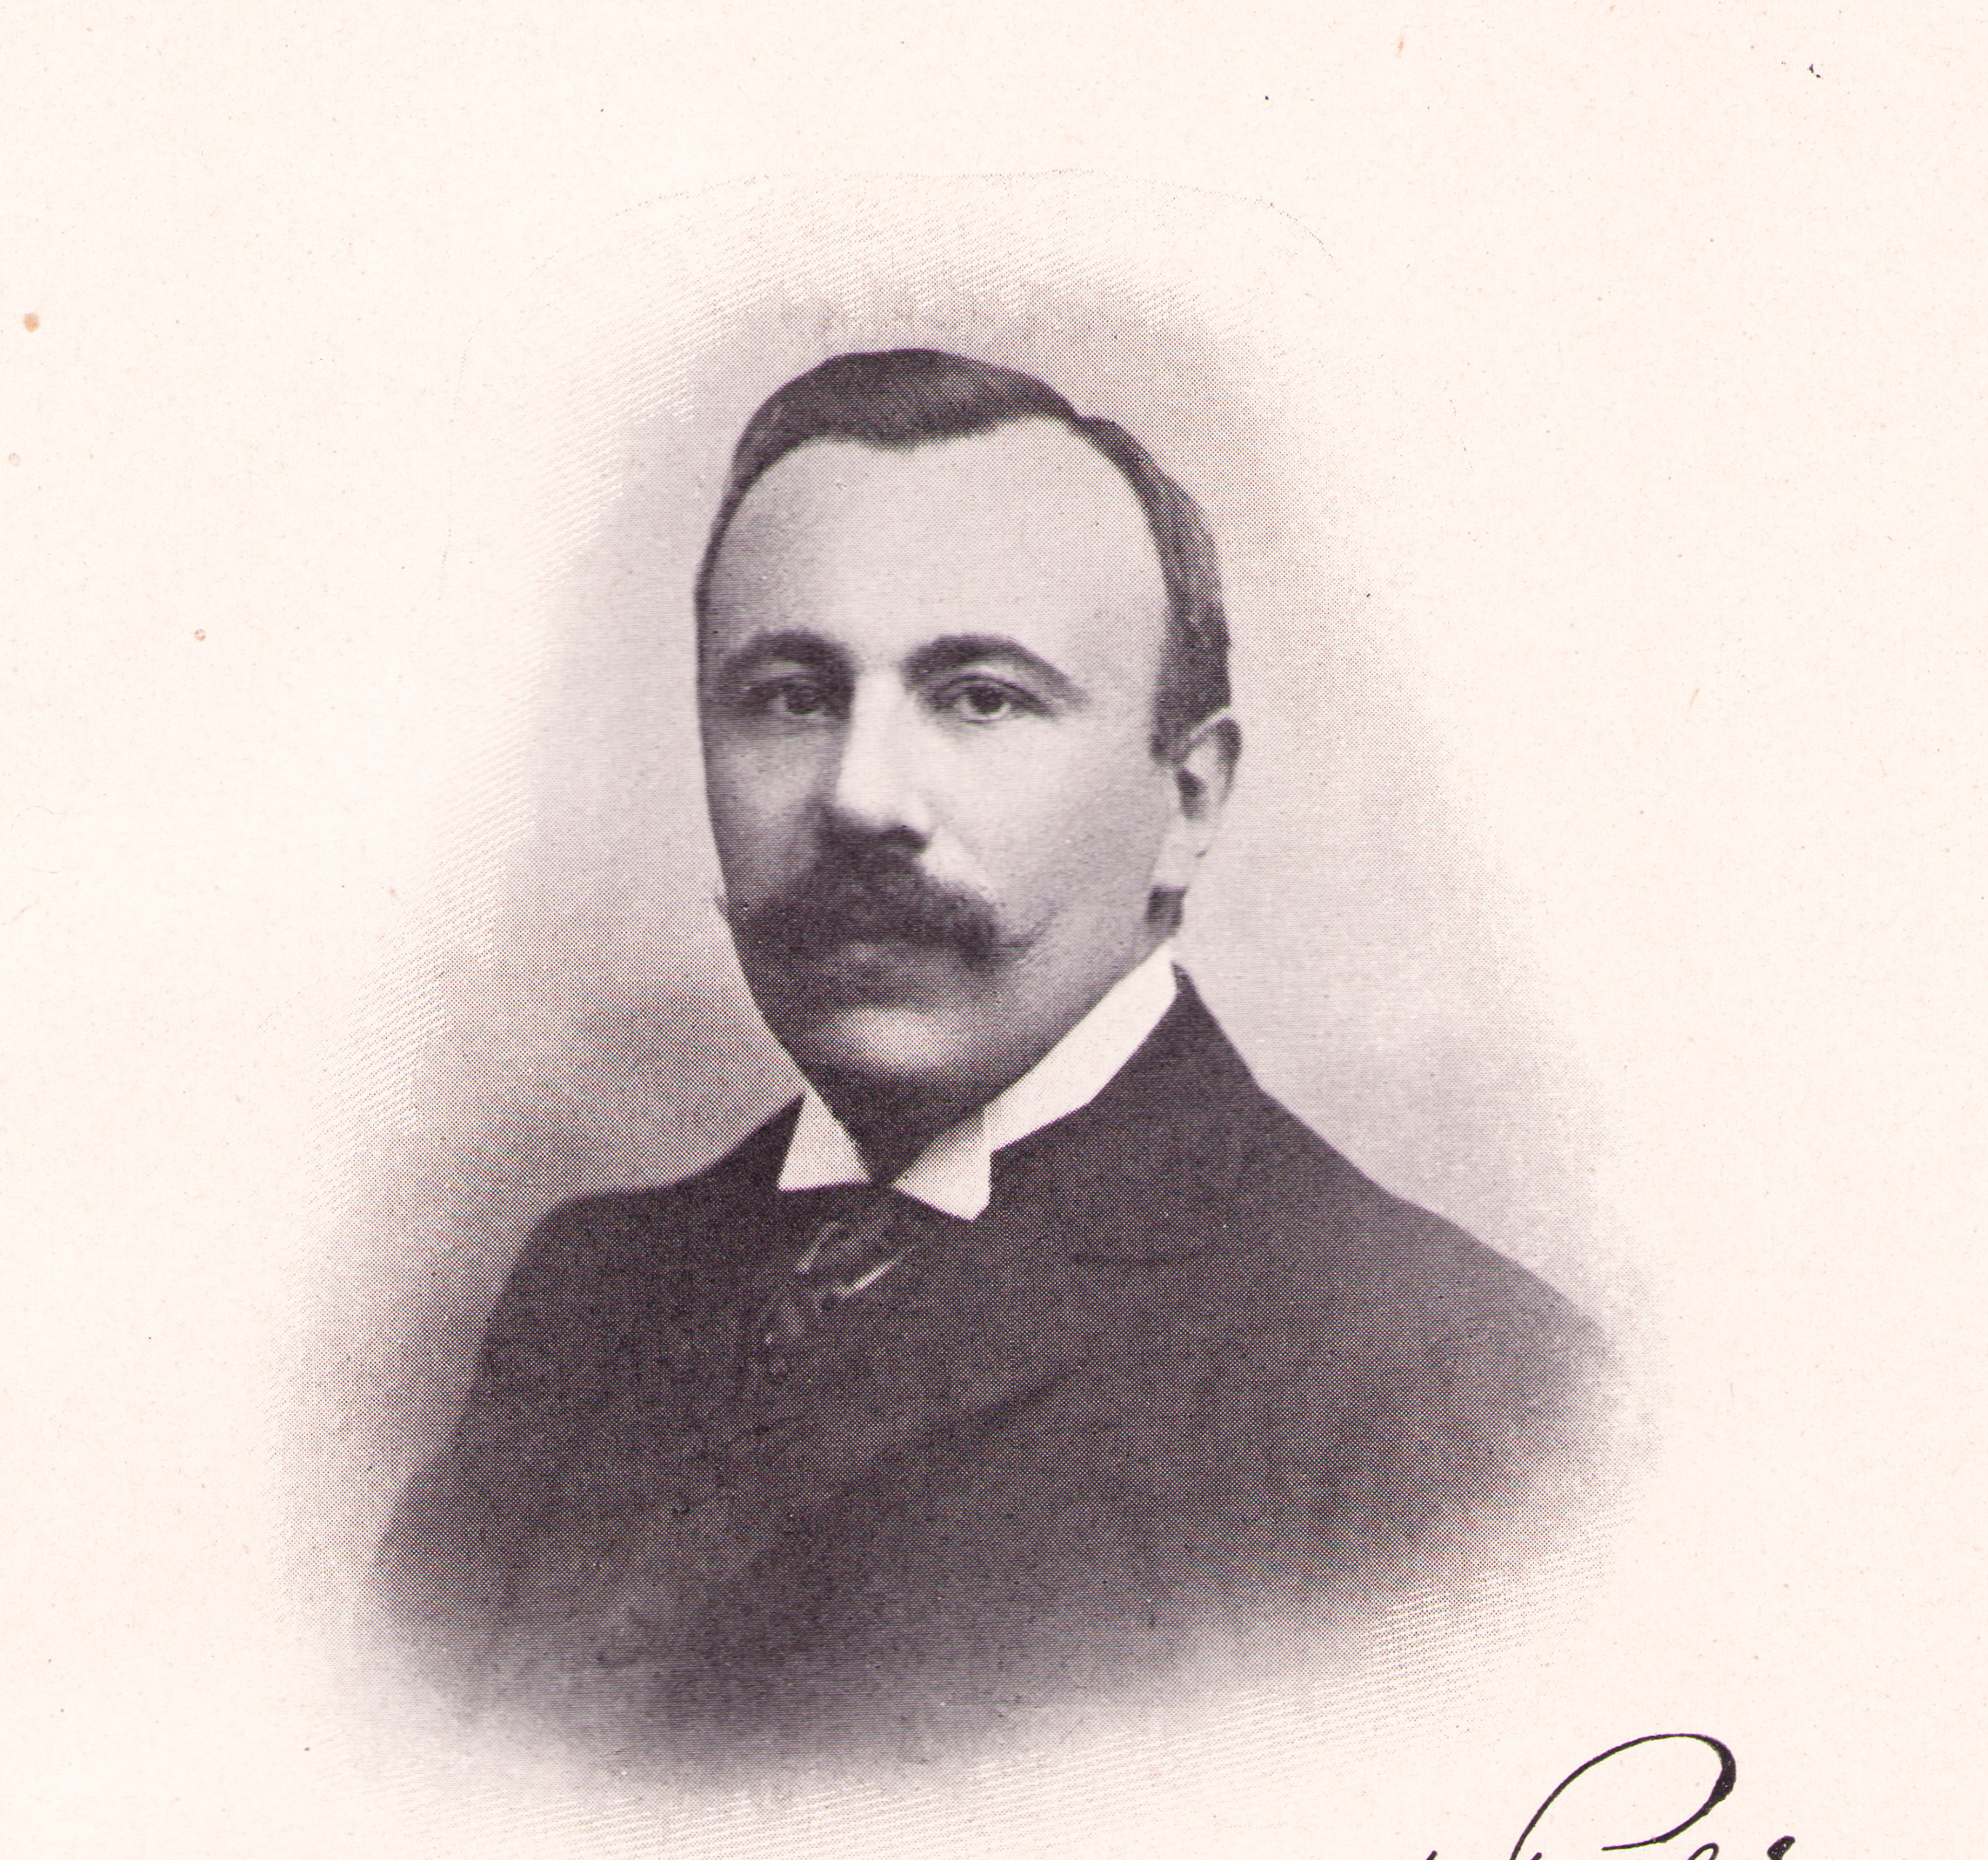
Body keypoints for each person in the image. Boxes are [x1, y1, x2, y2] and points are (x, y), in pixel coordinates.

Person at [374, 348, 1611, 1765]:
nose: (860, 798)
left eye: (980, 698)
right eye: (788, 696)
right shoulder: (588, 1289)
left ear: (1187, 799)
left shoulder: (1447, 1386)